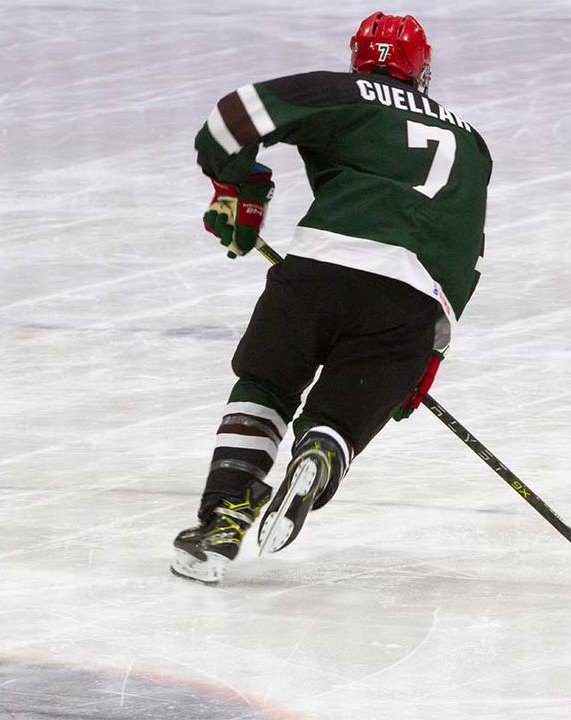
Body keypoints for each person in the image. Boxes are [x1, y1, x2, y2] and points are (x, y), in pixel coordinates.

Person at [171, 11, 492, 584]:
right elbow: (465, 259)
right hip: (415, 299)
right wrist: (430, 353)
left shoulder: (341, 92)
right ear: (421, 70)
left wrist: (238, 189)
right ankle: (321, 450)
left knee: (266, 386)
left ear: (358, 58)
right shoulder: (472, 144)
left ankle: (222, 518)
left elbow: (228, 120)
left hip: (320, 271)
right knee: (340, 417)